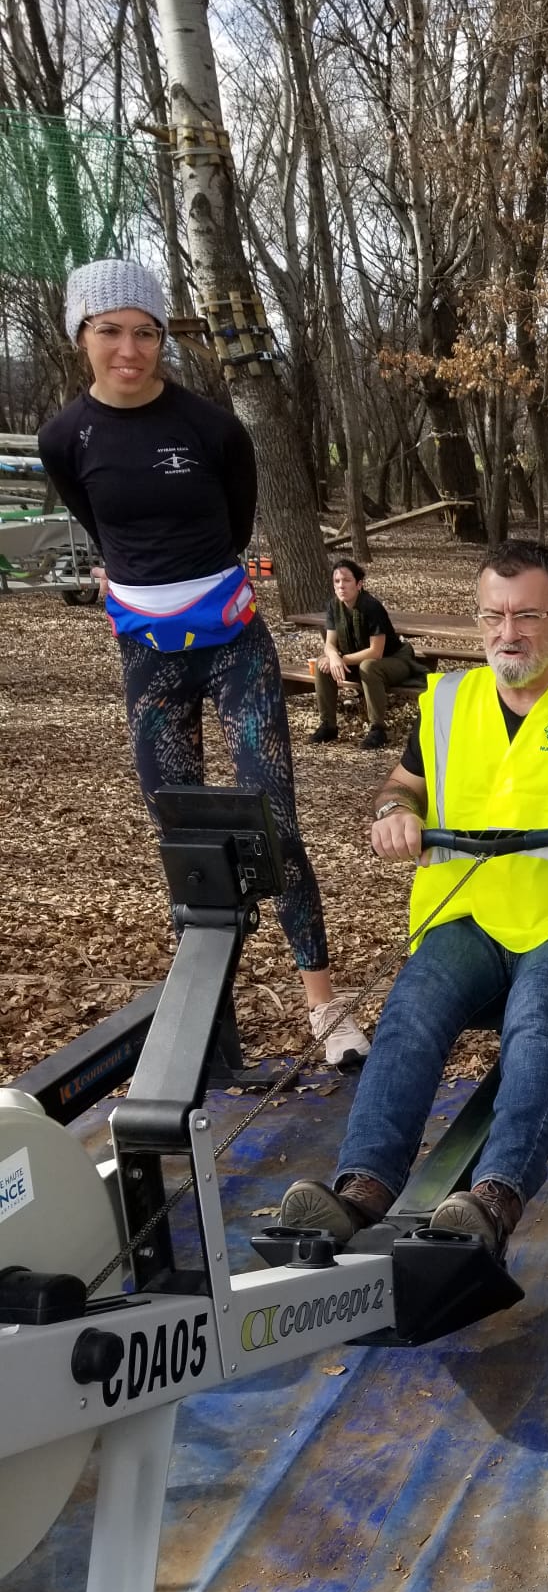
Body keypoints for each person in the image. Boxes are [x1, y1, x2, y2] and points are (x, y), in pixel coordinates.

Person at [279, 538, 548, 1263]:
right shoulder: (447, 702)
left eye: (528, 616)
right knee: (410, 1009)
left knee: (537, 1014)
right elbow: (401, 787)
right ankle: (361, 1190)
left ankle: (495, 1197)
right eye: (493, 617)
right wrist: (390, 815)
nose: (509, 634)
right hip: (468, 920)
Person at [37, 257, 369, 1067]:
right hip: (148, 654)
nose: (129, 349)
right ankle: (208, 1021)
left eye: (145, 332)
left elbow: (235, 520)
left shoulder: (212, 428)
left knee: (274, 818)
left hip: (231, 647)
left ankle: (322, 1006)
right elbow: (101, 524)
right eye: (110, 331)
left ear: (162, 337)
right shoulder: (63, 438)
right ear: (81, 336)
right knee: (180, 831)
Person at [309, 558, 422, 750]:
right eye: (336, 581)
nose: (341, 586)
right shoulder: (333, 606)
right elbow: (329, 644)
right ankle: (328, 725)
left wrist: (340, 659)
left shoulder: (371, 606)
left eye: (346, 580)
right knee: (323, 664)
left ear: (359, 584)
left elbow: (375, 652)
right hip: (357, 662)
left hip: (394, 661)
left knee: (368, 666)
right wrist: (333, 657)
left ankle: (378, 729)